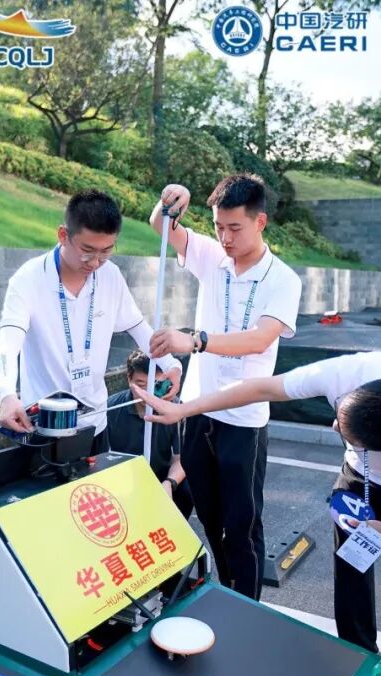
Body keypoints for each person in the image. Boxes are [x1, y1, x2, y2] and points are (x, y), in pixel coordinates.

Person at [134, 351, 381, 676]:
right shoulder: (346, 373)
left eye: (347, 433)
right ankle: (358, 662)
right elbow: (261, 388)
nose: (335, 428)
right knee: (351, 570)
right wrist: (187, 409)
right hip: (360, 477)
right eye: (341, 419)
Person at [146, 174, 302, 601]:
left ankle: (247, 607)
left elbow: (260, 339)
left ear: (260, 222)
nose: (225, 238)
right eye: (218, 227)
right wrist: (173, 197)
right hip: (198, 413)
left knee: (243, 525)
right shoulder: (212, 258)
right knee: (211, 519)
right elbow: (161, 225)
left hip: (244, 421)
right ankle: (227, 595)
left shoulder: (282, 279)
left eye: (235, 228)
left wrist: (196, 341)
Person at [0, 189, 182, 453]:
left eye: (106, 251)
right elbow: (7, 343)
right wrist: (6, 394)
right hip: (43, 427)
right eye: (87, 251)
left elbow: (138, 327)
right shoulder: (28, 280)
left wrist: (170, 364)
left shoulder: (110, 276)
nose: (95, 262)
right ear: (63, 235)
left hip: (95, 423)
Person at [105, 350, 192, 519]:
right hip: (123, 480)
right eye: (141, 385)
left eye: (155, 384)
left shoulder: (175, 408)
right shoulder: (111, 408)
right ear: (129, 379)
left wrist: (169, 482)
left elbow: (181, 458)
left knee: (188, 486)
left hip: (161, 478)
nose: (148, 393)